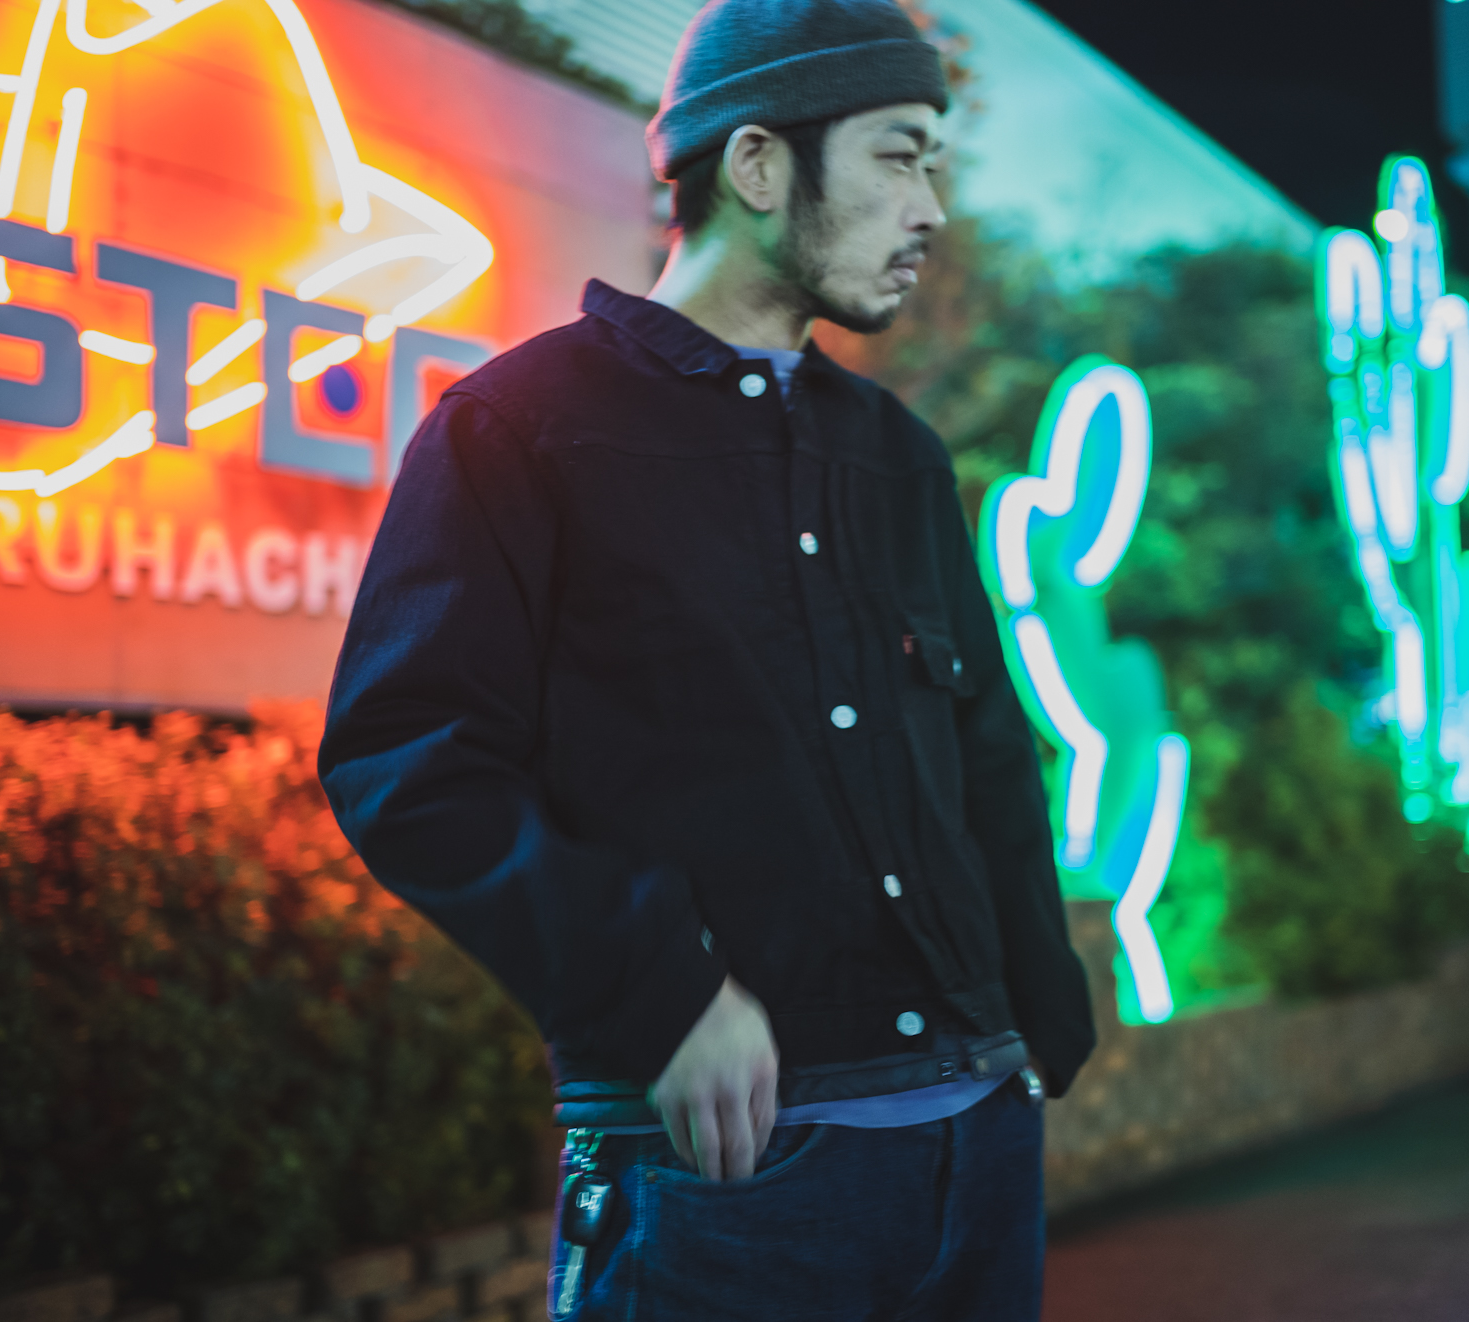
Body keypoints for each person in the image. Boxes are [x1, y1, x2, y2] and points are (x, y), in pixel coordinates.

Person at [318, 1, 1095, 1316]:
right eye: (900, 156)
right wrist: (659, 991)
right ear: (757, 164)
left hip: (979, 1151)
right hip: (729, 1176)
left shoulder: (897, 454)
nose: (931, 210)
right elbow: (410, 761)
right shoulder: (520, 427)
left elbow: (984, 753)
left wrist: (1034, 1017)